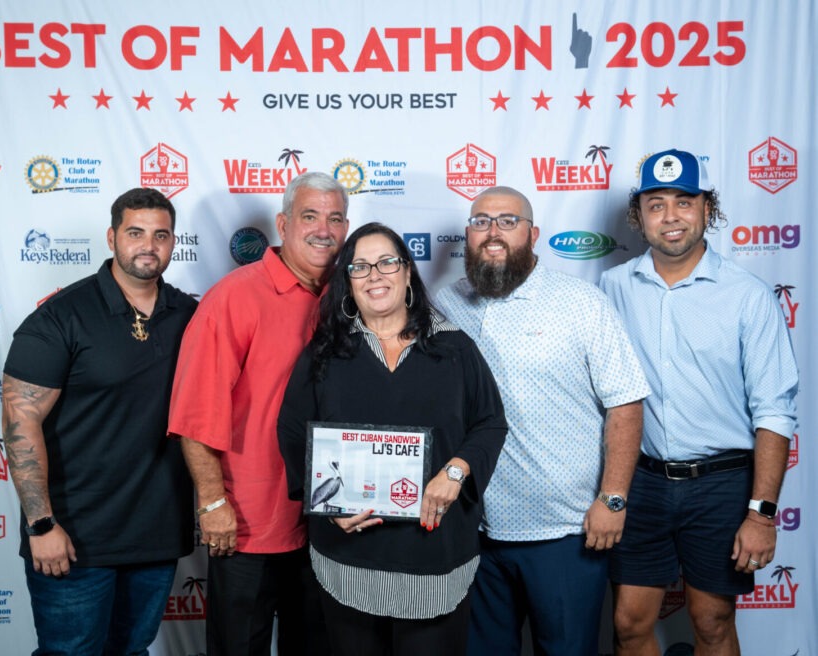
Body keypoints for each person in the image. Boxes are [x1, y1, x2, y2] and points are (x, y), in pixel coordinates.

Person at [435, 186, 651, 656]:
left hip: (564, 531)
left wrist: (613, 499)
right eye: (481, 221)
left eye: (507, 221)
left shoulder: (581, 303)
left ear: (533, 234)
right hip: (474, 530)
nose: (492, 232)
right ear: (468, 235)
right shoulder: (445, 305)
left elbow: (626, 404)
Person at [599, 148, 799, 655]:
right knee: (627, 623)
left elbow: (774, 409)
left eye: (684, 202)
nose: (671, 217)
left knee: (711, 622)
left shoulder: (747, 295)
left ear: (707, 209)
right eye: (656, 204)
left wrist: (761, 515)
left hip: (721, 484)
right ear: (637, 215)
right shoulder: (612, 287)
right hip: (641, 481)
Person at [276, 222, 507, 656]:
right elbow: (292, 431)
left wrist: (455, 473)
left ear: (407, 274)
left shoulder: (454, 348)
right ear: (347, 282)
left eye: (387, 262)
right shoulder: (324, 353)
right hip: (348, 556)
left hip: (433, 555)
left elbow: (490, 423)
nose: (375, 275)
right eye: (360, 267)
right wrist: (326, 507)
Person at [1, 187, 197, 655]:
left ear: (173, 242)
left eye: (161, 234)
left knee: (132, 650)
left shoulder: (191, 316)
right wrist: (41, 525)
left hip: (155, 534)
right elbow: (19, 423)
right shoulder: (60, 317)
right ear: (112, 237)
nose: (148, 245)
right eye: (135, 232)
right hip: (74, 538)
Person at [167, 172, 349, 656]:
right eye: (310, 216)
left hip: (328, 525)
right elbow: (196, 411)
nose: (323, 230)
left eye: (334, 219)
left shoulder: (352, 298)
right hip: (249, 523)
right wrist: (211, 503)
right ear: (283, 224)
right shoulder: (236, 296)